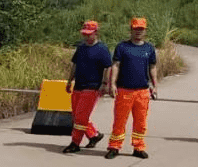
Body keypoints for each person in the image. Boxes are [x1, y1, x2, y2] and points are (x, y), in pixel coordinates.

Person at [105, 17, 158, 159]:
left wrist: (155, 85)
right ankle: (114, 147)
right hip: (124, 90)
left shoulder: (149, 48)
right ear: (131, 30)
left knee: (141, 122)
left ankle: (138, 147)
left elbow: (152, 67)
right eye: (136, 29)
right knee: (120, 120)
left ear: (145, 30)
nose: (138, 32)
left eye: (141, 29)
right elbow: (115, 66)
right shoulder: (122, 47)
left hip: (142, 91)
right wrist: (112, 84)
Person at [62, 20, 112, 154]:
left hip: (92, 87)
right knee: (77, 116)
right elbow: (75, 65)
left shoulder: (102, 49)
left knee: (81, 117)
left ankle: (75, 143)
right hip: (78, 85)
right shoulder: (81, 48)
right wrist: (69, 81)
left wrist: (104, 83)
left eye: (89, 34)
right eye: (85, 34)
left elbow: (108, 67)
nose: (86, 37)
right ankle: (94, 135)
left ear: (96, 33)